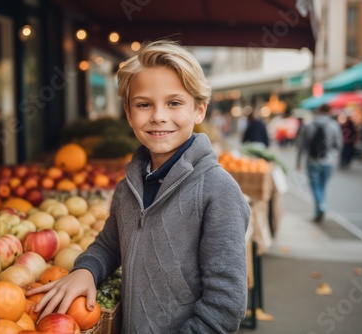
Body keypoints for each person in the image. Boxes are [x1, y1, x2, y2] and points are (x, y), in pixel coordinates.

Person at [28, 40, 250, 333]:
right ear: (129, 114)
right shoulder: (128, 187)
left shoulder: (218, 190)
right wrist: (86, 270)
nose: (158, 116)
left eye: (174, 103)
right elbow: (109, 244)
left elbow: (225, 305)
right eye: (144, 104)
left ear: (199, 110)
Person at [296, 103, 343, 222]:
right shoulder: (334, 125)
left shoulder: (309, 125)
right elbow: (338, 145)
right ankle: (320, 207)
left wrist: (298, 161)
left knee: (315, 186)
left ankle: (320, 206)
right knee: (322, 186)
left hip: (312, 161)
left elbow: (302, 145)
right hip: (327, 161)